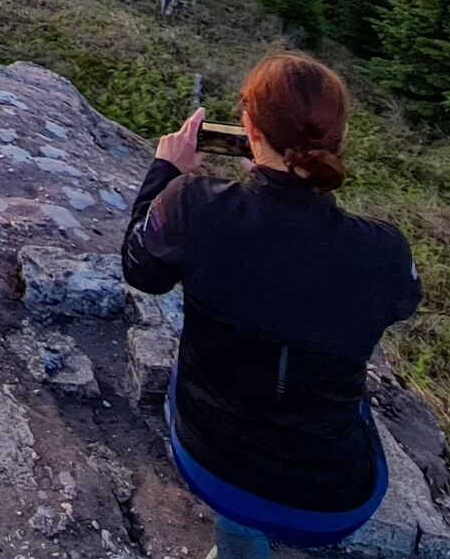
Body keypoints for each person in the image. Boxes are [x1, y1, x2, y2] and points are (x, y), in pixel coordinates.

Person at [123, 53, 421, 559]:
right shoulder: (384, 251)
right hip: (335, 499)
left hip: (214, 465)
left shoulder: (192, 204)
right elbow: (401, 302)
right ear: (339, 141)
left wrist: (164, 174)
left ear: (249, 128)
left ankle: (239, 541)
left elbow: (141, 271)